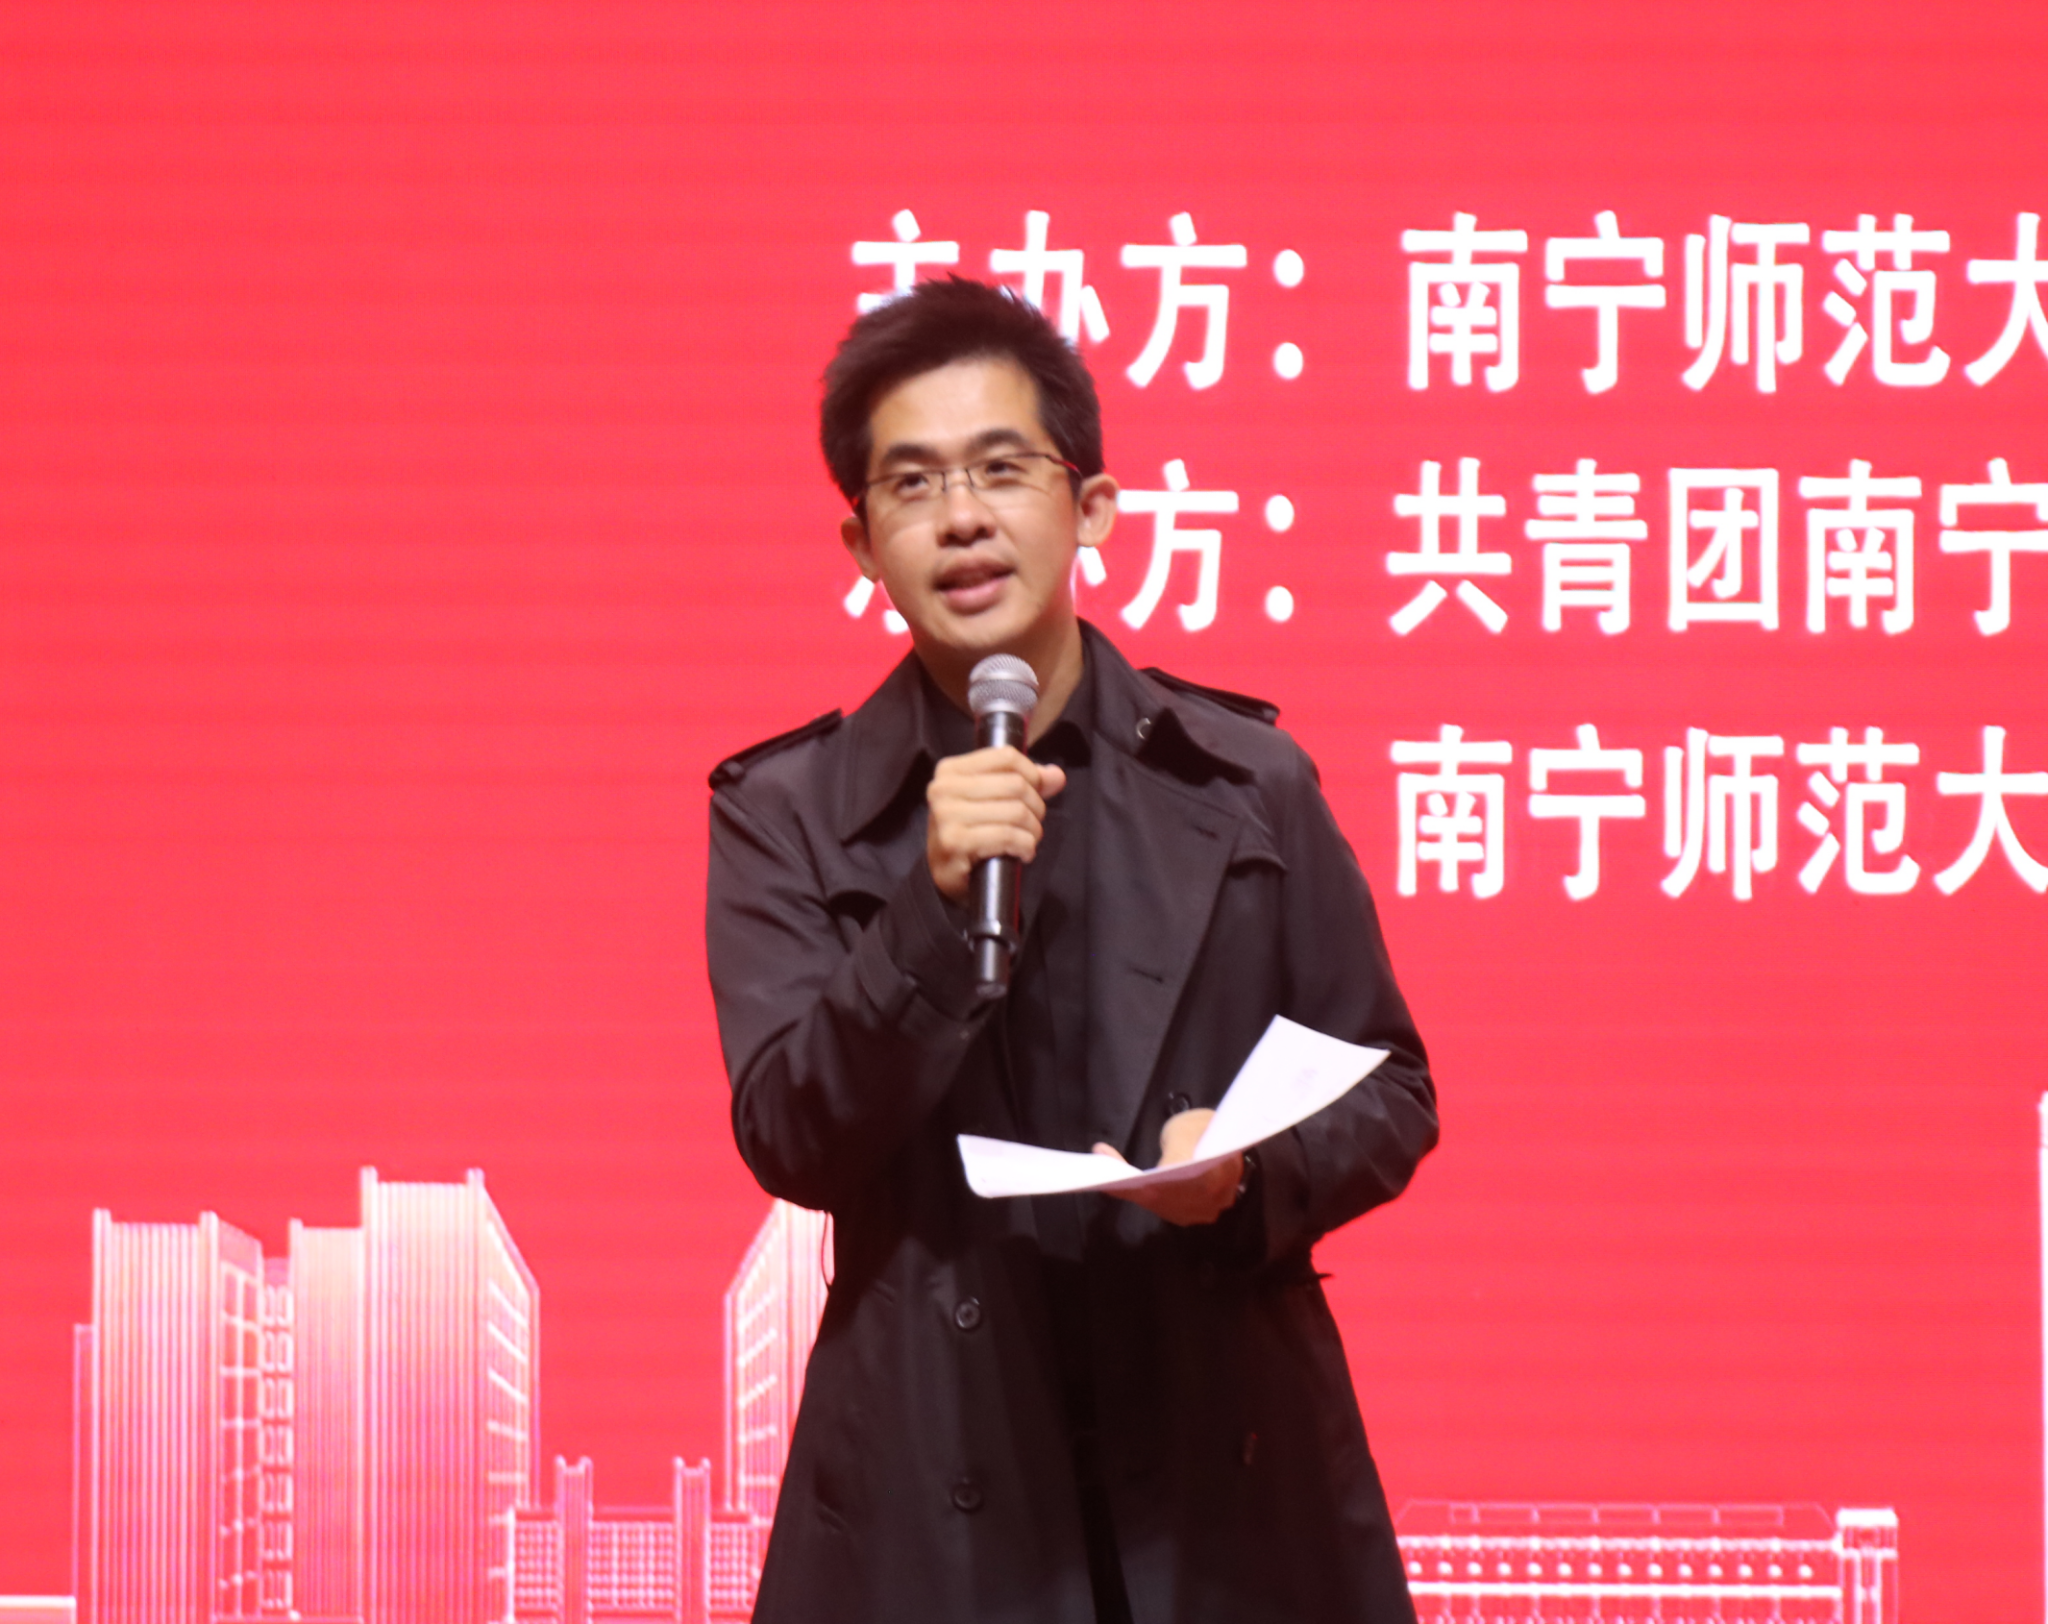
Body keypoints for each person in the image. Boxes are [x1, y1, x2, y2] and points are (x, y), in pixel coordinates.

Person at [705, 276, 1438, 1623]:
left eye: (1001, 469)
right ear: (862, 544)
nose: (962, 518)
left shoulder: (1246, 780)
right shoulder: (789, 812)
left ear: (1090, 506)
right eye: (913, 485)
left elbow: (1391, 1089)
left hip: (1219, 1473)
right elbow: (791, 1137)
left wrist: (1246, 1176)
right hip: (935, 1476)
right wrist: (929, 914)